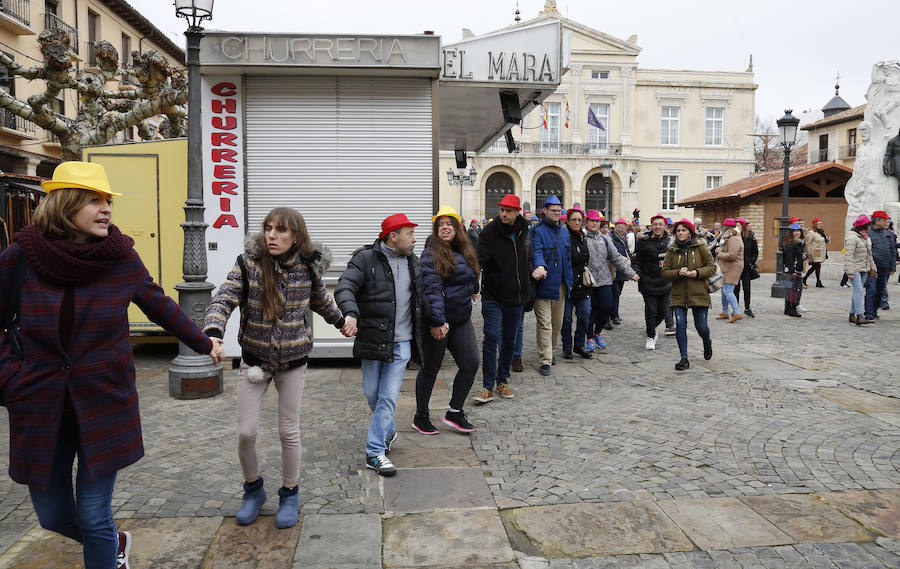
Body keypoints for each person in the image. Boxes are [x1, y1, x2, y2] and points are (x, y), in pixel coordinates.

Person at [0, 161, 225, 569]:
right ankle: (114, 542)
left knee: (92, 514)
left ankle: (106, 550)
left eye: (108, 201)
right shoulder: (21, 257)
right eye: (94, 201)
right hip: (39, 404)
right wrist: (11, 378)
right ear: (64, 204)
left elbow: (160, 306)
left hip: (104, 402)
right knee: (52, 516)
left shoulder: (120, 258)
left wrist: (203, 342)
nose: (106, 209)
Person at [203, 207, 344, 529]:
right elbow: (224, 298)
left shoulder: (307, 268)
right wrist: (213, 331)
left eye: (280, 230)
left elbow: (321, 301)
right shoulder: (248, 264)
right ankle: (253, 490)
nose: (271, 235)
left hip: (293, 362)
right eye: (268, 228)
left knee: (288, 431)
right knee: (246, 432)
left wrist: (342, 322)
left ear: (296, 236)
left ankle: (289, 493)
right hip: (255, 360)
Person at [335, 213, 424, 477]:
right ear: (393, 236)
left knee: (387, 397)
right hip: (373, 339)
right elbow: (344, 287)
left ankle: (375, 452)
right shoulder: (364, 259)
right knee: (371, 393)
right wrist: (350, 313)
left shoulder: (414, 263)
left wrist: (439, 321)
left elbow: (422, 300)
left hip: (402, 342)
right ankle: (388, 430)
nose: (414, 239)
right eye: (409, 234)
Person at [413, 206, 479, 434]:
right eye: (440, 225)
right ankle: (421, 416)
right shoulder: (430, 254)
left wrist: (474, 288)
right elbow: (432, 290)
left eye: (449, 223)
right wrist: (437, 322)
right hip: (438, 321)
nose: (445, 227)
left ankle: (455, 411)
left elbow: (470, 272)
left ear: (457, 228)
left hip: (460, 319)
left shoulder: (464, 249)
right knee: (430, 368)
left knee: (470, 364)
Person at [475, 193, 532, 402]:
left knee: (509, 341)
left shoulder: (524, 229)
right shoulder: (489, 231)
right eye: (502, 210)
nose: (504, 214)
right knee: (491, 337)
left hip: (516, 296)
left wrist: (528, 287)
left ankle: (502, 381)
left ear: (517, 212)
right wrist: (472, 281)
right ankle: (487, 386)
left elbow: (527, 258)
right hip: (493, 295)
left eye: (508, 210)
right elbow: (479, 260)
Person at [661, 218, 715, 370]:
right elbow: (665, 272)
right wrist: (678, 272)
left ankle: (707, 341)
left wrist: (696, 272)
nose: (680, 233)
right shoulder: (672, 250)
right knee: (680, 325)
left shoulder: (700, 247)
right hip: (678, 295)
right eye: (678, 230)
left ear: (690, 232)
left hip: (699, 293)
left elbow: (712, 267)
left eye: (683, 230)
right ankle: (684, 358)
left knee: (701, 327)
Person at [585, 209, 638, 350]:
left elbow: (616, 257)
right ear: (587, 222)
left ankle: (597, 332)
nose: (595, 223)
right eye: (592, 221)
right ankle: (589, 337)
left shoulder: (605, 239)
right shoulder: (583, 239)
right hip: (588, 282)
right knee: (590, 312)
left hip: (605, 280)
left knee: (607, 308)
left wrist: (630, 273)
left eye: (597, 221)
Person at [531, 195, 572, 376]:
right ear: (545, 211)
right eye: (553, 210)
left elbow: (568, 259)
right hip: (542, 284)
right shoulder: (537, 231)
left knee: (557, 323)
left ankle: (551, 350)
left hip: (560, 285)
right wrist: (540, 266)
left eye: (559, 211)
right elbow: (536, 252)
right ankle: (545, 359)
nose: (556, 213)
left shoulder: (564, 231)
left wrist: (570, 281)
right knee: (545, 324)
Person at [633, 214, 672, 350]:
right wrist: (636, 272)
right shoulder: (643, 242)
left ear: (665, 226)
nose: (657, 227)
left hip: (665, 283)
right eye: (655, 224)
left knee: (663, 311)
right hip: (648, 282)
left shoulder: (670, 242)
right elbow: (637, 261)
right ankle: (650, 336)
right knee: (651, 310)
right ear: (651, 226)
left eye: (660, 224)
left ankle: (652, 327)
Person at [561, 208, 593, 359]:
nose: (577, 222)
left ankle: (579, 344)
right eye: (574, 220)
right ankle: (567, 347)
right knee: (566, 318)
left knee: (584, 314)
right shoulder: (564, 237)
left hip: (583, 284)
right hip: (568, 284)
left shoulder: (582, 237)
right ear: (568, 221)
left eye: (580, 220)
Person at [864, 210, 896, 321]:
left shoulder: (887, 233)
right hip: (872, 268)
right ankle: (868, 313)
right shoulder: (868, 234)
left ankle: (874, 311)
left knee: (880, 291)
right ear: (877, 221)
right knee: (871, 290)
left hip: (884, 267)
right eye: (884, 220)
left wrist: (892, 266)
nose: (886, 222)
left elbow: (892, 250)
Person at [844, 215, 876, 325]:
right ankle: (859, 316)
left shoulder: (867, 238)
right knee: (858, 290)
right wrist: (850, 272)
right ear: (864, 226)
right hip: (855, 268)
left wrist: (873, 268)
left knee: (857, 291)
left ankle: (852, 314)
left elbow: (869, 255)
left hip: (864, 268)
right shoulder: (852, 238)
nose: (870, 227)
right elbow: (849, 256)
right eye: (869, 225)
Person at [715, 218, 744, 323]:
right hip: (727, 268)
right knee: (724, 291)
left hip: (732, 268)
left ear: (727, 227)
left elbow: (732, 255)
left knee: (728, 290)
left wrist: (719, 253)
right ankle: (725, 312)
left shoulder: (734, 239)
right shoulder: (730, 237)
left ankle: (737, 312)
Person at [733, 218, 759, 318]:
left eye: (738, 225)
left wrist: (751, 261)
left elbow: (755, 251)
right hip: (736, 266)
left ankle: (747, 308)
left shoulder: (750, 237)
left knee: (747, 288)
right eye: (736, 225)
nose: (737, 227)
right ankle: (736, 309)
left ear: (743, 226)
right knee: (736, 289)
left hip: (746, 267)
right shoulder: (733, 237)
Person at [610, 218, 632, 325]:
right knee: (615, 293)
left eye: (622, 227)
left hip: (622, 271)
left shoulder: (624, 239)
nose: (620, 229)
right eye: (618, 227)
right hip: (614, 271)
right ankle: (614, 315)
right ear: (615, 228)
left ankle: (614, 314)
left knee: (617, 294)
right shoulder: (612, 239)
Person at [782, 223, 805, 317]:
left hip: (794, 270)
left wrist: (804, 256)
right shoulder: (790, 243)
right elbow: (788, 258)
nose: (796, 233)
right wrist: (792, 271)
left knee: (791, 290)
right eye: (794, 231)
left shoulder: (799, 243)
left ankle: (788, 308)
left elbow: (798, 256)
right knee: (793, 290)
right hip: (791, 271)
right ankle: (791, 309)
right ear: (791, 233)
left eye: (798, 231)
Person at [803, 218, 829, 288]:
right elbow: (808, 244)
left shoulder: (820, 232)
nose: (821, 225)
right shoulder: (811, 233)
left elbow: (822, 241)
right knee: (816, 266)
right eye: (819, 224)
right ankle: (806, 279)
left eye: (821, 224)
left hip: (820, 253)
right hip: (814, 253)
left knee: (817, 266)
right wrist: (809, 253)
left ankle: (817, 281)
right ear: (815, 224)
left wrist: (827, 240)